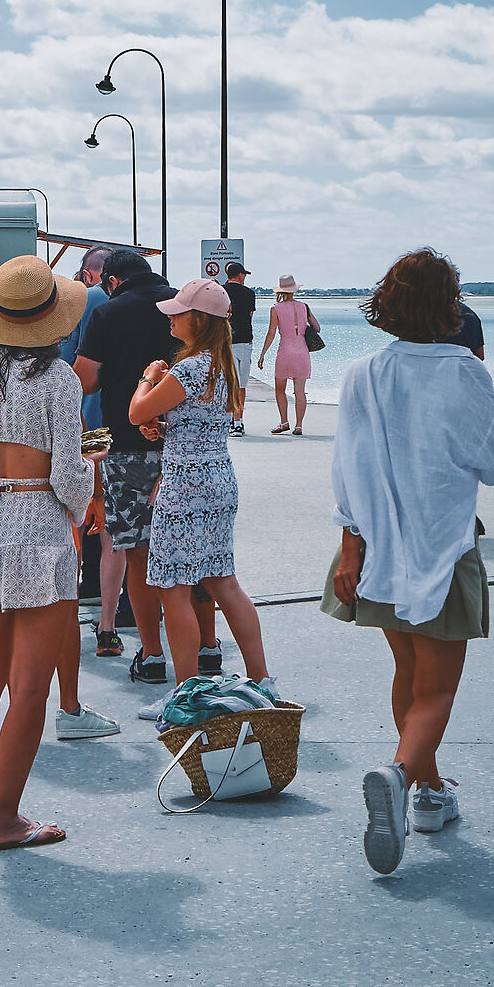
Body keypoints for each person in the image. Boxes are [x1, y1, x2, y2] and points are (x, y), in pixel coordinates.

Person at [322, 247, 494, 876]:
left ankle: (430, 794)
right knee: (438, 687)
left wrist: (350, 544)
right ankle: (401, 776)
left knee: (407, 672)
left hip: (374, 547)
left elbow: (344, 467)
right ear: (449, 306)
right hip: (442, 544)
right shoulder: (463, 372)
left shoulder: (362, 374)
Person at [0, 256, 95, 848]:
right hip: (38, 528)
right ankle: (5, 818)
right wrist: (82, 501)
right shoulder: (59, 381)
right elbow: (69, 477)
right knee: (31, 686)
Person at [129, 279, 277, 698]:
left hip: (183, 484)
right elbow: (197, 420)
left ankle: (185, 692)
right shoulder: (222, 363)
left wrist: (148, 377)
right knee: (223, 581)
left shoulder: (188, 367)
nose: (171, 318)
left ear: (195, 319)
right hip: (217, 478)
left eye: (178, 312)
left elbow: (136, 410)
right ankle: (262, 680)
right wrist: (167, 426)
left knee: (172, 587)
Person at [74, 248, 176, 690]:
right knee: (181, 546)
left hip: (121, 440)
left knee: (128, 543)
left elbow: (86, 380)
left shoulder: (106, 312)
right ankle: (202, 643)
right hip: (183, 444)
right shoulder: (181, 305)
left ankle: (135, 641)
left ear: (111, 280)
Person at [59, 249, 123, 652]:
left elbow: (70, 364)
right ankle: (118, 602)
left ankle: (86, 586)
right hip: (121, 418)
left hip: (87, 416)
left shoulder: (83, 300)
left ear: (90, 272)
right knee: (115, 516)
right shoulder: (115, 301)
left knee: (87, 508)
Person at [259, 273, 314, 434]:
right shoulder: (304, 306)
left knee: (279, 389)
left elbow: (271, 333)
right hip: (302, 351)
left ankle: (284, 422)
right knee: (300, 391)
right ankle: (299, 426)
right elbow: (316, 327)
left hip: (285, 351)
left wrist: (262, 354)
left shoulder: (276, 309)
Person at [223, 262, 256, 436]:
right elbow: (249, 316)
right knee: (241, 385)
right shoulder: (249, 293)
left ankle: (228, 418)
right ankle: (238, 422)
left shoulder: (220, 291)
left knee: (228, 384)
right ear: (240, 275)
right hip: (244, 341)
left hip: (224, 342)